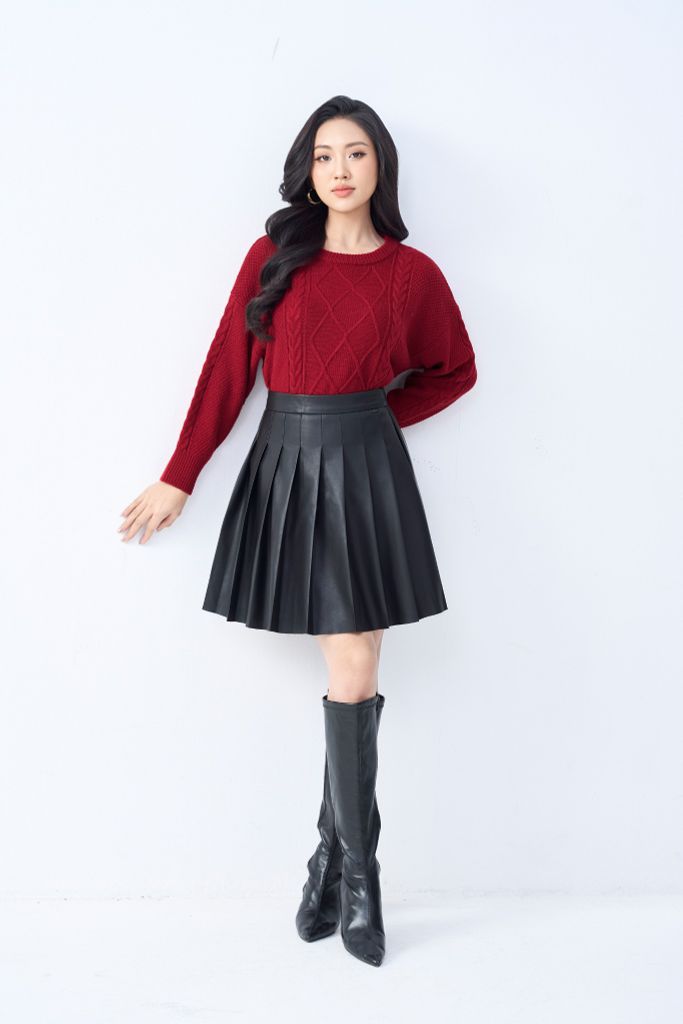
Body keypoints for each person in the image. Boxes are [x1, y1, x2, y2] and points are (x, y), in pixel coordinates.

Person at [117, 95, 478, 967]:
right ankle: (350, 872)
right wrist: (179, 473)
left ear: (380, 165)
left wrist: (375, 423)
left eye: (355, 153)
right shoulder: (273, 257)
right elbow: (227, 369)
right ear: (306, 171)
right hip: (289, 463)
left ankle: (342, 869)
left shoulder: (414, 274)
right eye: (323, 156)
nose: (339, 170)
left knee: (357, 663)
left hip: (367, 471)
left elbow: (454, 370)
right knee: (353, 665)